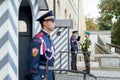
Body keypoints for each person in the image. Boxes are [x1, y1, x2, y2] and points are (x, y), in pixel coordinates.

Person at [27, 10, 56, 80]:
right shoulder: (38, 39)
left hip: (49, 75)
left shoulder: (48, 38)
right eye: (52, 22)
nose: (54, 24)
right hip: (41, 76)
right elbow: (32, 64)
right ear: (45, 23)